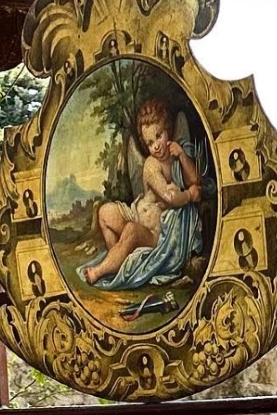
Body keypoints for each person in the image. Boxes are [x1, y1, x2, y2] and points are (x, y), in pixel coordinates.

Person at [79, 99, 203, 289]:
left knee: (131, 230)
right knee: (104, 213)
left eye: (159, 136)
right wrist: (189, 195)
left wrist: (182, 155)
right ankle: (119, 260)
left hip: (155, 235)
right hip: (137, 215)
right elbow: (170, 196)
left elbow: (195, 180)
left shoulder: (177, 154)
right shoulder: (151, 165)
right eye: (150, 143)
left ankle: (100, 271)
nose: (156, 146)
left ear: (168, 129)